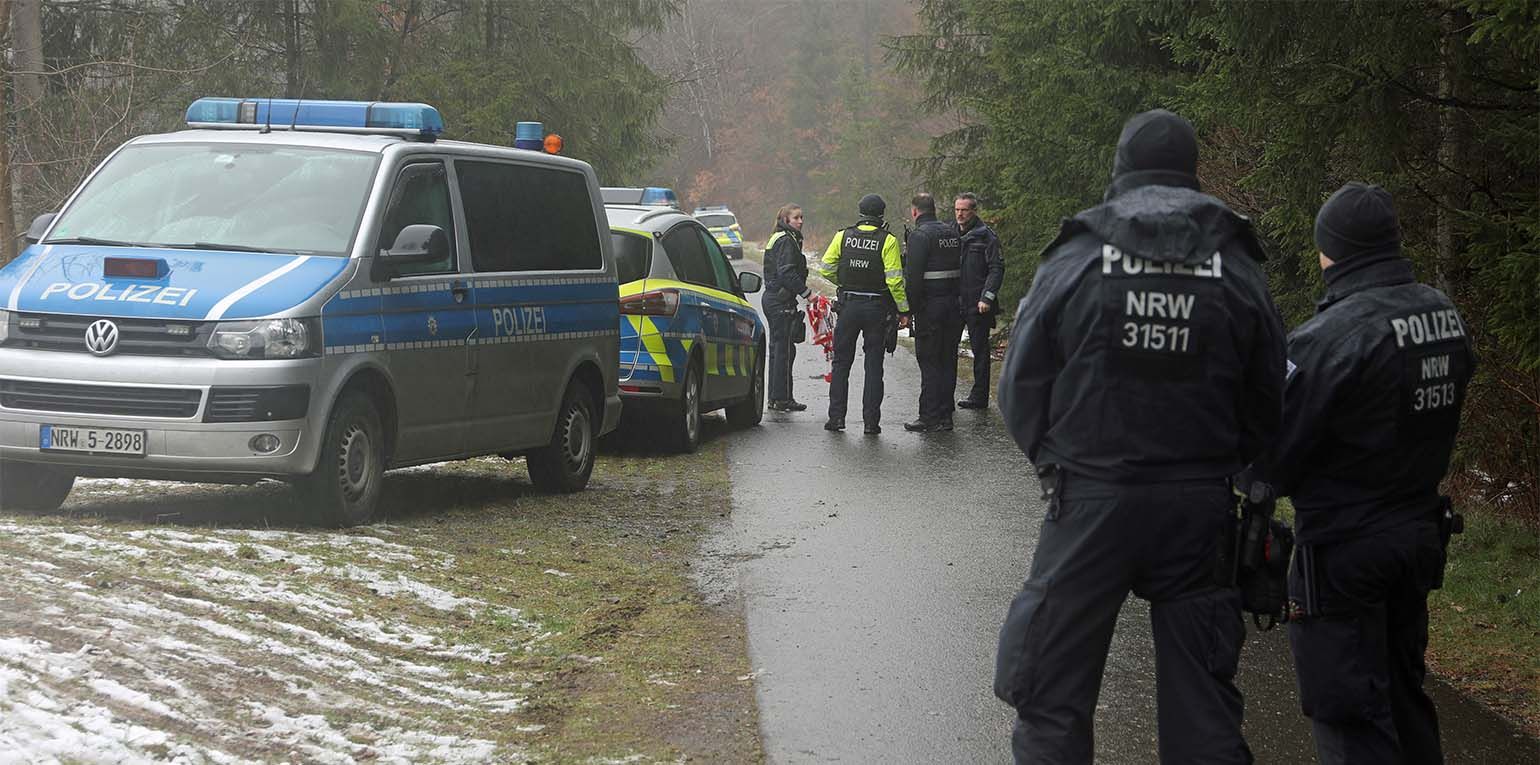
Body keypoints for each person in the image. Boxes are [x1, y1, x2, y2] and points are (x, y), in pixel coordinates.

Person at [994, 108, 1285, 764]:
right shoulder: (1234, 261)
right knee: (1203, 708)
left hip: (1092, 495)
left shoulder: (1080, 251)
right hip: (1199, 507)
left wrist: (1053, 462)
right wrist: (1229, 469)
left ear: (1120, 169)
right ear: (1192, 171)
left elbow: (1021, 382)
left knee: (1052, 694)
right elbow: (1269, 392)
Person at [1260, 182, 1473, 765]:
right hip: (1416, 536)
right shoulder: (1441, 313)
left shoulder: (1329, 339)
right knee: (1404, 700)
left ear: (1331, 249)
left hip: (1344, 551)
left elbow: (1271, 457)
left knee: (1349, 716)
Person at [818, 193, 910, 434]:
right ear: (881, 214)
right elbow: (895, 281)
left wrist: (844, 282)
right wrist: (903, 309)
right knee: (873, 365)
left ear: (860, 213)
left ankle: (836, 418)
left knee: (841, 363)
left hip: (848, 307)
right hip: (876, 309)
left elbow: (826, 269)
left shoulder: (843, 236)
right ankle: (871, 423)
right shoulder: (887, 241)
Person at [903, 192, 964, 432]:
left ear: (915, 211)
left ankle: (928, 416)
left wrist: (910, 310)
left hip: (930, 307)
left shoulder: (920, 236)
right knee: (948, 359)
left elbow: (914, 279)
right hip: (953, 306)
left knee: (929, 360)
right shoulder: (952, 232)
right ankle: (946, 415)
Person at [954, 192, 1005, 409]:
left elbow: (996, 268)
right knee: (948, 349)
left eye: (964, 210)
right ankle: (945, 394)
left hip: (978, 304)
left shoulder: (987, 237)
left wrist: (987, 297)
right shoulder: (950, 233)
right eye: (957, 209)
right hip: (955, 302)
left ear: (973, 211)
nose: (960, 214)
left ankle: (979, 397)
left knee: (980, 351)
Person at [762, 204, 811, 412]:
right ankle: (782, 399)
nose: (800, 221)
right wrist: (807, 293)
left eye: (802, 217)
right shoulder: (786, 241)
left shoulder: (780, 237)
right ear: (786, 219)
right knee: (783, 351)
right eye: (796, 218)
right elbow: (787, 273)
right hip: (779, 301)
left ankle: (776, 397)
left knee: (779, 349)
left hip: (774, 299)